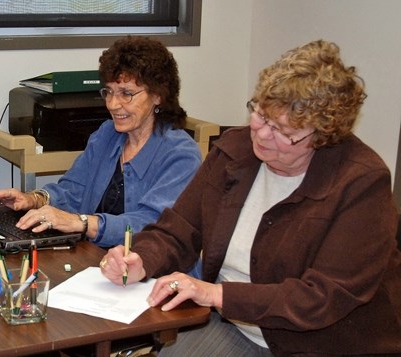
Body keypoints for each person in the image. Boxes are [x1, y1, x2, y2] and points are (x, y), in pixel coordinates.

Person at [99, 39, 401, 356]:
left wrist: (218, 295)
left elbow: (321, 298)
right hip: (238, 329)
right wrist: (140, 260)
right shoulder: (235, 150)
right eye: (260, 114)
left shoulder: (361, 183)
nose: (261, 134)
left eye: (284, 131)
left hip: (325, 344)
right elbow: (179, 228)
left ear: (323, 137)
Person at [0, 36, 201, 248]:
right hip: (100, 261)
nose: (113, 104)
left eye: (126, 93)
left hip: (154, 273)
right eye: (109, 92)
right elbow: (73, 191)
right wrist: (34, 199)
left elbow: (152, 226)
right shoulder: (108, 134)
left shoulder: (181, 154)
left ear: (158, 95)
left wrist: (82, 223)